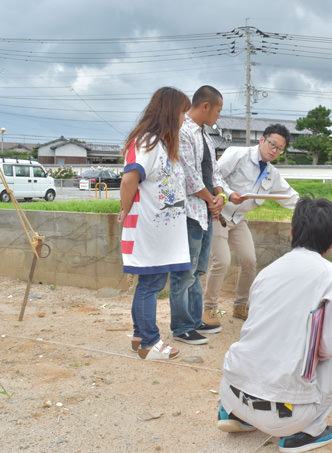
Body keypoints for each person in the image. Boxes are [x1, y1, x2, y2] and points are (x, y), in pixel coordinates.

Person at [216, 197, 332, 452]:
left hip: (231, 393)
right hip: (285, 418)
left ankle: (234, 413)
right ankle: (308, 432)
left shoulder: (267, 272)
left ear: (292, 231)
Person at [118, 87, 191, 360]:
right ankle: (150, 342)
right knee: (150, 285)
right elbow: (129, 180)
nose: (184, 117)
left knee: (150, 283)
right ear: (171, 112)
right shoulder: (146, 142)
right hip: (148, 229)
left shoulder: (161, 144)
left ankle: (140, 335)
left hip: (161, 232)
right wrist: (124, 211)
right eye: (183, 111)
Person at [203, 124, 299, 322]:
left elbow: (289, 196)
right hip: (218, 215)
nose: (274, 151)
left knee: (249, 261)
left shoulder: (272, 174)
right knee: (222, 260)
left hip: (238, 220)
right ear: (262, 140)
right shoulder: (237, 154)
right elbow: (214, 175)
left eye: (279, 149)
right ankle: (209, 308)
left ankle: (239, 306)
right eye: (272, 144)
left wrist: (313, 207)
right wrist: (228, 194)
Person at [169, 85, 228, 346]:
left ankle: (194, 320)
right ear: (206, 106)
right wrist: (210, 199)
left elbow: (213, 170)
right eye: (218, 110)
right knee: (184, 271)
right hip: (189, 212)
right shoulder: (182, 132)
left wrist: (219, 195)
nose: (218, 116)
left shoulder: (206, 135)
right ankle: (181, 326)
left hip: (204, 212)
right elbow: (189, 174)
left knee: (198, 269)